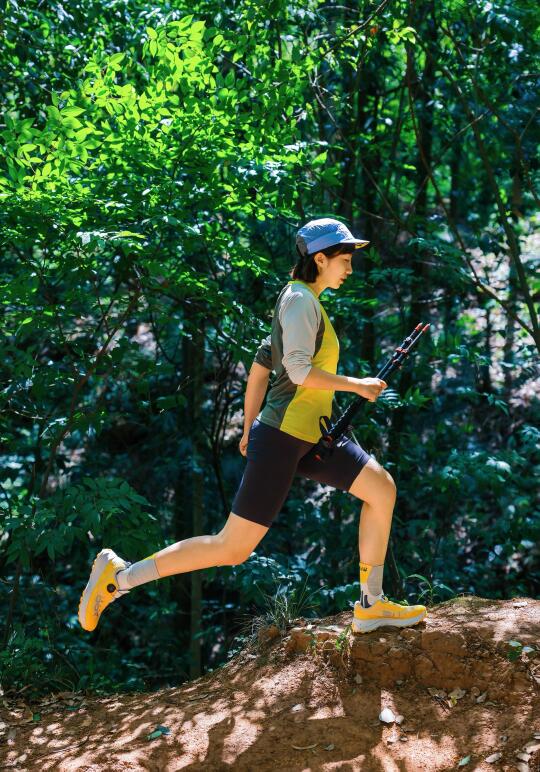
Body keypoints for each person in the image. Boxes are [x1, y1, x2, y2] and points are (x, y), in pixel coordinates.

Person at [78, 217, 427, 635]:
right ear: (320, 259)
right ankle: (120, 577)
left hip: (312, 435)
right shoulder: (299, 302)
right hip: (284, 437)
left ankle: (371, 604)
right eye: (345, 259)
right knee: (232, 548)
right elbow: (297, 371)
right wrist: (357, 385)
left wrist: (247, 429)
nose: (350, 268)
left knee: (381, 489)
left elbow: (261, 366)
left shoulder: (301, 302)